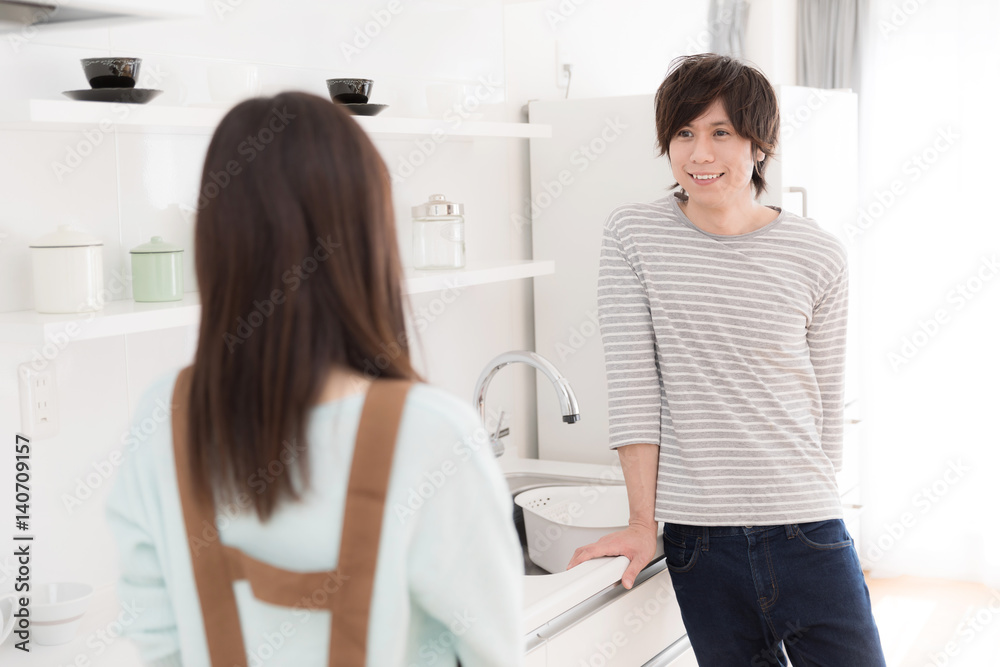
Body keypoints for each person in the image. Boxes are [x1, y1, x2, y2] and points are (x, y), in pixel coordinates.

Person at [105, 91, 523, 667]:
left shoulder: (167, 415)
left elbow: (157, 642)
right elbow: (493, 655)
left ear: (217, 242)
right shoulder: (430, 435)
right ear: (367, 239)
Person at [567, 54, 887, 665]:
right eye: (684, 133)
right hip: (700, 544)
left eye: (721, 133)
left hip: (809, 531)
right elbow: (635, 388)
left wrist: (827, 508)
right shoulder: (634, 236)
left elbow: (823, 398)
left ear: (759, 144)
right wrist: (642, 524)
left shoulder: (817, 254)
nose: (699, 154)